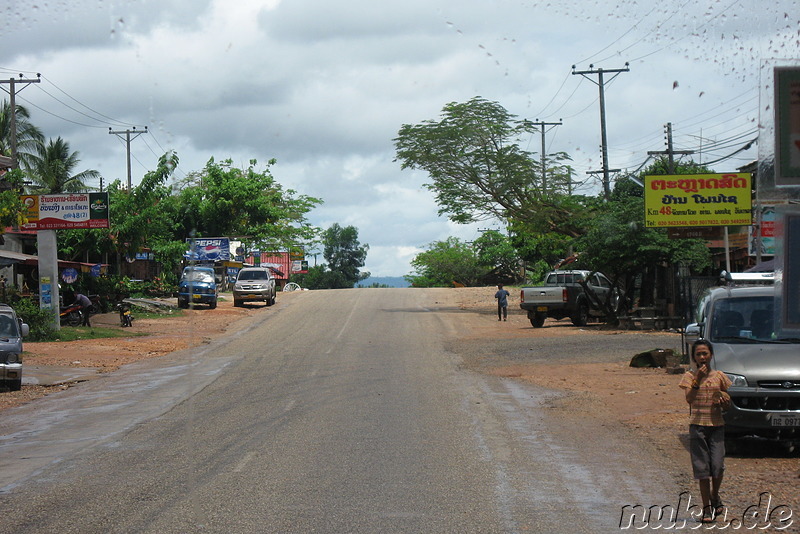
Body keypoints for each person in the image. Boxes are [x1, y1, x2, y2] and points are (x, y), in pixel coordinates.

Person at [678, 339, 732, 523]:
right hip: (697, 426)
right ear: (693, 357)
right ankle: (707, 508)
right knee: (702, 469)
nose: (702, 357)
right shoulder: (688, 376)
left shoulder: (720, 376)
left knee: (717, 466)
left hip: (717, 426)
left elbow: (727, 400)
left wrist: (725, 403)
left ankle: (715, 496)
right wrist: (697, 381)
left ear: (711, 355)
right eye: (698, 354)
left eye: (705, 353)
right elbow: (689, 399)